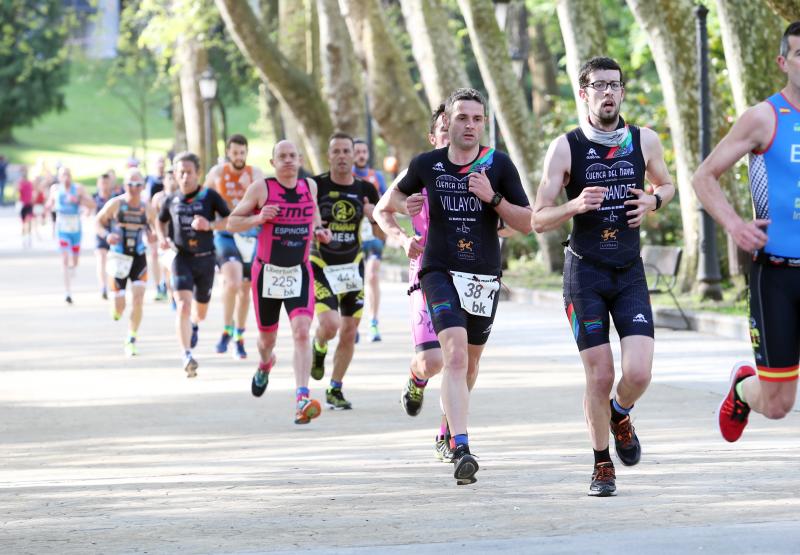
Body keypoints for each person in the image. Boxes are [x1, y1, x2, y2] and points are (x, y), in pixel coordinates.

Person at [533, 57, 675, 497]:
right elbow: (538, 219)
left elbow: (667, 185)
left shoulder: (643, 140)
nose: (608, 93)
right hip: (585, 274)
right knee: (599, 374)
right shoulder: (566, 147)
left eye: (615, 85)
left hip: (629, 271)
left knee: (638, 372)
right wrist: (575, 206)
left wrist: (654, 202)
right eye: (599, 86)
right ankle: (601, 464)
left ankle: (620, 412)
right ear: (584, 93)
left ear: (622, 91)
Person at [380, 88, 533, 485]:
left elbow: (526, 222)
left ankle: (448, 427)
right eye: (462, 118)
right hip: (438, 271)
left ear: (485, 123)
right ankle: (460, 446)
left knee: (471, 361)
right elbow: (392, 199)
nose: (469, 125)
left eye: (477, 119)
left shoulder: (498, 165)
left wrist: (493, 197)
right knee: (454, 356)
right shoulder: (427, 164)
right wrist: (405, 207)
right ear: (448, 121)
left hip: (482, 276)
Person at [693, 22, 800, 443]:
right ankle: (743, 388)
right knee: (777, 405)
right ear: (782, 62)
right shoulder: (764, 117)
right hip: (774, 273)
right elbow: (705, 176)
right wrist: (735, 225)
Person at [228, 140, 333, 424]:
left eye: (292, 156)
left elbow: (315, 220)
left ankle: (302, 396)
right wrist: (259, 218)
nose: (288, 161)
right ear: (273, 162)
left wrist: (321, 232)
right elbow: (232, 222)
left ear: (299, 160)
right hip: (268, 275)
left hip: (298, 271)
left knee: (301, 331)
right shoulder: (262, 188)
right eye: (282, 157)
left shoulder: (308, 187)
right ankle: (265, 363)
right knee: (267, 340)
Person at [375, 104, 450, 460]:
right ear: (433, 137)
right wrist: (403, 239)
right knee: (434, 361)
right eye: (445, 129)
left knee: (461, 359)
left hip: (468, 276)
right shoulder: (418, 171)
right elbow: (381, 209)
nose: (453, 134)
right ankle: (416, 377)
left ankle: (448, 434)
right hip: (425, 272)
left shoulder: (482, 171)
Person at [310, 132, 383, 410]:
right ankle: (319, 347)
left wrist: (371, 215)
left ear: (354, 156)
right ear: (329, 156)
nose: (341, 156)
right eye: (336, 151)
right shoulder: (316, 185)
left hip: (353, 265)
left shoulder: (366, 189)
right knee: (330, 325)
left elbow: (382, 235)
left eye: (346, 151)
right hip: (322, 264)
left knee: (349, 330)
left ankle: (335, 388)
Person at [157, 152, 230, 377]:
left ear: (198, 173)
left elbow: (229, 219)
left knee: (200, 312)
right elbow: (160, 220)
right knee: (182, 305)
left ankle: (195, 325)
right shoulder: (171, 200)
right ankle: (186, 354)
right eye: (180, 173)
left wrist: (209, 225)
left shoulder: (210, 196)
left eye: (189, 172)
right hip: (182, 258)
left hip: (206, 259)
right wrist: (162, 238)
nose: (185, 177)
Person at [205, 134, 266, 360]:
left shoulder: (255, 174)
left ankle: (239, 336)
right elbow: (203, 198)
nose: (238, 157)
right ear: (228, 152)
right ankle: (226, 330)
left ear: (246, 153)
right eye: (235, 153)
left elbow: (267, 200)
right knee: (232, 282)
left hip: (249, 235)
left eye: (242, 153)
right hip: (226, 233)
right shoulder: (218, 173)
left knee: (246, 288)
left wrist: (251, 190)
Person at [96, 168, 155, 356]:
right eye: (130, 184)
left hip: (138, 257)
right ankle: (116, 310)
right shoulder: (116, 204)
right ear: (124, 185)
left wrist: (154, 236)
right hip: (119, 258)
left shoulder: (147, 208)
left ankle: (131, 338)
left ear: (143, 186)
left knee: (138, 299)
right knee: (119, 308)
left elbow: (156, 227)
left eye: (138, 185)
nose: (134, 188)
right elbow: (98, 222)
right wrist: (107, 235)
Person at [353, 138, 388, 342]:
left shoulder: (377, 176)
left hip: (374, 235)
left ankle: (373, 322)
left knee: (372, 276)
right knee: (354, 280)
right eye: (357, 151)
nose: (361, 155)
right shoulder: (346, 177)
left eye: (364, 151)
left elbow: (386, 201)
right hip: (352, 236)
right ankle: (352, 322)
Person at [46, 167, 95, 304]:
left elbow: (91, 204)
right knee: (64, 258)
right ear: (59, 177)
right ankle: (67, 292)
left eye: (68, 174)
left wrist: (79, 201)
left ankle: (72, 269)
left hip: (75, 229)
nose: (66, 177)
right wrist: (47, 208)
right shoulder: (55, 189)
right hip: (62, 229)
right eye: (63, 175)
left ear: (71, 176)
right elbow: (49, 203)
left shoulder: (78, 189)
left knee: (74, 261)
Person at [151, 170, 178, 310]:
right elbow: (153, 217)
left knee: (175, 268)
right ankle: (170, 293)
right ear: (164, 181)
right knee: (168, 268)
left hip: (178, 239)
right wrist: (155, 233)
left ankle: (176, 293)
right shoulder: (158, 198)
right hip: (164, 239)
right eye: (169, 178)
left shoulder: (181, 196)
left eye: (174, 178)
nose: (172, 181)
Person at [146, 155, 168, 301]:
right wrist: (151, 227)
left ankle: (167, 284)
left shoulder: (170, 178)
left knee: (166, 256)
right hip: (155, 222)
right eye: (158, 162)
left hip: (168, 224)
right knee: (154, 254)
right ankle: (158, 285)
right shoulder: (151, 181)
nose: (160, 165)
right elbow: (148, 205)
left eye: (162, 162)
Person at [94, 174, 114, 300]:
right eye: (102, 183)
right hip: (100, 234)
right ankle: (103, 287)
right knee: (101, 257)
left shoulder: (115, 199)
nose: (105, 186)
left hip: (114, 234)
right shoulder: (95, 199)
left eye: (107, 183)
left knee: (113, 261)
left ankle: (113, 285)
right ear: (98, 184)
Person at [18, 166, 34, 249]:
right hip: (24, 205)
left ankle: (28, 238)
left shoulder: (27, 184)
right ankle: (25, 239)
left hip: (27, 204)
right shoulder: (22, 184)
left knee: (27, 222)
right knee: (25, 223)